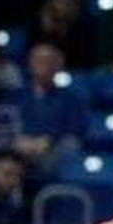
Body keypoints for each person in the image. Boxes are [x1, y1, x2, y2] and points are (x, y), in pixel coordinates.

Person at [13, 44, 86, 174]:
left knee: (69, 147)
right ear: (30, 65)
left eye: (49, 61)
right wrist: (20, 140)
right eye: (39, 61)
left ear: (58, 66)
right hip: (20, 147)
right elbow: (6, 121)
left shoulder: (69, 98)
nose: (44, 65)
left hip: (54, 150)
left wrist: (49, 140)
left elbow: (75, 128)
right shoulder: (16, 96)